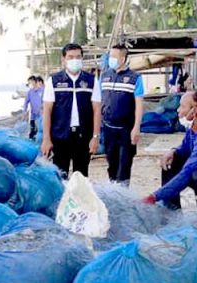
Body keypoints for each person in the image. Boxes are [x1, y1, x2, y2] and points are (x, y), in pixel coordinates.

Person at [41, 43, 102, 178]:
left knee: (81, 177)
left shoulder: (91, 81)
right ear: (63, 59)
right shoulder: (54, 81)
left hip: (83, 136)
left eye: (78, 57)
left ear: (82, 59)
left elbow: (97, 110)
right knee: (59, 175)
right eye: (70, 57)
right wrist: (46, 139)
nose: (75, 60)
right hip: (60, 136)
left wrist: (95, 137)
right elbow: (47, 111)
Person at [100, 44, 144, 185]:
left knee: (124, 164)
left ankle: (123, 192)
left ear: (123, 58)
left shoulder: (135, 78)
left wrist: (136, 127)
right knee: (111, 163)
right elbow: (99, 101)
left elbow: (139, 105)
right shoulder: (104, 76)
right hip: (108, 128)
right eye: (110, 56)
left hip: (126, 129)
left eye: (114, 56)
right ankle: (113, 190)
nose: (110, 59)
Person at [22, 75, 44, 140]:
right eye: (29, 83)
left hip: (41, 116)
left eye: (30, 82)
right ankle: (31, 142)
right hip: (33, 116)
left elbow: (45, 102)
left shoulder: (42, 90)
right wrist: (24, 111)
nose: (29, 84)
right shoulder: (30, 92)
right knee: (32, 131)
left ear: (34, 81)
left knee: (40, 131)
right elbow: (26, 102)